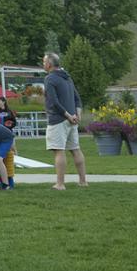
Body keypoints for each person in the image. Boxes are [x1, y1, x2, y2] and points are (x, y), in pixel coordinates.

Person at [43, 53, 87, 190]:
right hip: (72, 120)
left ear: (49, 64)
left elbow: (54, 101)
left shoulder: (50, 79)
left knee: (59, 151)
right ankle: (83, 181)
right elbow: (77, 98)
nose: (43, 64)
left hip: (58, 120)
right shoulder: (67, 77)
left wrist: (68, 115)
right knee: (75, 149)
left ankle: (60, 184)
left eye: (44, 62)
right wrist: (77, 115)